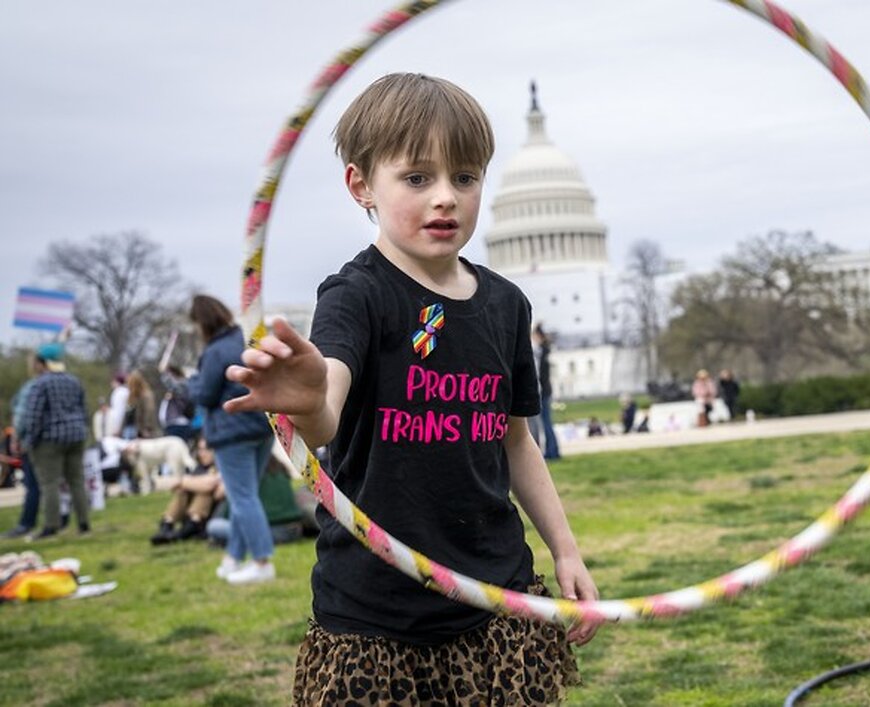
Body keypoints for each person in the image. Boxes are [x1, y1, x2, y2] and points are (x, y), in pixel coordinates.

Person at [223, 73, 597, 703]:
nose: (445, 198)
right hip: (376, 616)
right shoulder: (356, 296)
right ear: (362, 185)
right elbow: (327, 413)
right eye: (418, 178)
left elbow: (517, 443)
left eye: (466, 177)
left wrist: (566, 551)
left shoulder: (507, 305)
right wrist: (311, 396)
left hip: (496, 599)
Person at [187, 294, 277, 585]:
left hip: (230, 432)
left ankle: (262, 562)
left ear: (202, 323)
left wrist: (191, 382)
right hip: (261, 427)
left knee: (242, 498)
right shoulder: (247, 338)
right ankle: (233, 559)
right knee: (246, 496)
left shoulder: (214, 352)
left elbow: (205, 395)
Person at [22, 343, 92, 539]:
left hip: (50, 440)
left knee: (49, 483)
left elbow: (34, 415)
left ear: (42, 363)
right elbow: (84, 410)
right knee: (77, 481)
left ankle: (51, 527)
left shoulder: (40, 384)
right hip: (76, 436)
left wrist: (30, 440)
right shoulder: (74, 381)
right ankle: (84, 524)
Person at [150, 435, 223, 545]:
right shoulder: (199, 468)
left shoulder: (220, 466)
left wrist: (181, 481)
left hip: (209, 514)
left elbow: (210, 484)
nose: (202, 454)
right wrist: (186, 482)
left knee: (203, 491)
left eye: (206, 450)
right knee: (183, 490)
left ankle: (192, 525)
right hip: (189, 510)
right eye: (200, 450)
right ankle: (167, 523)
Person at [2, 358, 42, 538]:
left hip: (32, 442)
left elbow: (20, 415)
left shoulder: (30, 387)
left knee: (33, 484)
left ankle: (26, 524)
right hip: (52, 440)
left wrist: (16, 439)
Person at [531, 323, 562, 460]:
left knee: (546, 423)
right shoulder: (545, 351)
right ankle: (552, 450)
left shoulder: (540, 352)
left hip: (543, 391)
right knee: (547, 423)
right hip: (546, 390)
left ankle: (552, 450)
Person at [124, 370, 160, 440]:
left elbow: (149, 411)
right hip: (136, 429)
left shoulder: (146, 395)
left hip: (145, 430)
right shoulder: (136, 396)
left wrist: (147, 428)